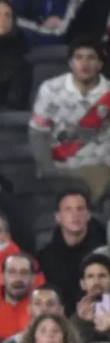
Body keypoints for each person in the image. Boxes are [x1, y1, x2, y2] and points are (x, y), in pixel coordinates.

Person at [29, 37, 110, 200]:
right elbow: (38, 134)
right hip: (57, 166)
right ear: (70, 63)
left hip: (98, 167)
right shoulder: (50, 89)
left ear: (100, 64)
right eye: (79, 57)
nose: (84, 63)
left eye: (91, 57)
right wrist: (48, 171)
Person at [37, 188, 107, 315]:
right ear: (58, 217)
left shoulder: (104, 254)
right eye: (68, 209)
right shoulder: (45, 256)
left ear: (88, 214)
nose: (75, 214)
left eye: (80, 209)